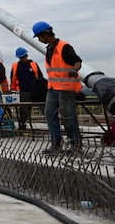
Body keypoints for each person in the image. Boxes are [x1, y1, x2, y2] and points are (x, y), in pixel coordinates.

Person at [32, 21, 83, 155]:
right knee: (50, 114)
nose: (39, 40)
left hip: (65, 88)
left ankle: (75, 145)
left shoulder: (64, 47)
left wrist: (74, 70)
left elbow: (77, 61)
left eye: (39, 37)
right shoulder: (49, 49)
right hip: (53, 88)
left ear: (46, 35)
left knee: (68, 117)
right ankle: (56, 144)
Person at [10, 47, 45, 130]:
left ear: (26, 55)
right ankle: (22, 125)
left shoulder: (33, 64)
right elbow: (13, 79)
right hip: (24, 91)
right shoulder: (16, 66)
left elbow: (40, 77)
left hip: (36, 91)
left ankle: (52, 124)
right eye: (20, 57)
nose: (22, 59)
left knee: (43, 107)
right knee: (24, 110)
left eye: (23, 57)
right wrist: (13, 90)